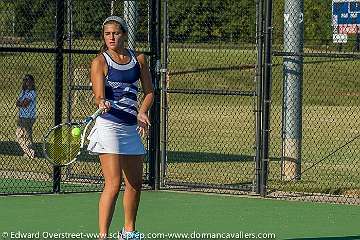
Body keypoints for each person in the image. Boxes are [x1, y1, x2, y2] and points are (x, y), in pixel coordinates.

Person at [87, 16, 153, 240]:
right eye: (107, 34)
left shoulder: (139, 60)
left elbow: (149, 92)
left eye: (115, 33)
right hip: (108, 127)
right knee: (113, 184)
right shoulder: (100, 62)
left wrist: (142, 111)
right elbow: (98, 94)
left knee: (134, 184)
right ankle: (103, 236)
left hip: (130, 128)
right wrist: (100, 101)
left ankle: (129, 232)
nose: (111, 38)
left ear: (124, 34)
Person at [16, 74, 36, 159]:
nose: (26, 82)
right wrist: (21, 103)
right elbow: (18, 103)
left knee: (19, 135)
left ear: (32, 82)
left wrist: (21, 103)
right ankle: (28, 151)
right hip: (22, 116)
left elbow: (24, 104)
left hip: (28, 117)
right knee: (27, 136)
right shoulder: (23, 92)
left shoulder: (32, 93)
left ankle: (30, 152)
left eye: (28, 80)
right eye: (25, 80)